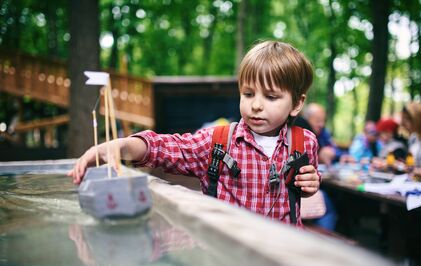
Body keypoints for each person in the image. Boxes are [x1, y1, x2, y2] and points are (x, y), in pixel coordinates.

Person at [69, 40, 320, 228]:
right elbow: (164, 148)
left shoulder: (305, 142)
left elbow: (304, 188)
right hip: (223, 256)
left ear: (297, 104)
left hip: (281, 257)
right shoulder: (218, 142)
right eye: (248, 93)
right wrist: (118, 147)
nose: (256, 105)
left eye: (271, 96)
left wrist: (310, 185)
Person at [294, 103, 339, 231]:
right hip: (297, 189)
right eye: (318, 120)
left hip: (305, 186)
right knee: (327, 206)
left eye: (323, 121)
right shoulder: (303, 128)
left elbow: (332, 149)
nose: (322, 124)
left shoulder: (321, 133)